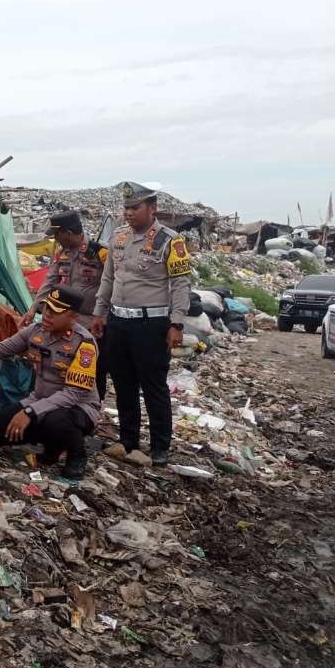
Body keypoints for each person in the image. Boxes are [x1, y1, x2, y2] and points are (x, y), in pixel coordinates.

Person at [91, 182, 192, 466]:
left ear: (153, 208)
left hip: (151, 325)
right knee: (123, 384)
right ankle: (128, 440)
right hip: (119, 322)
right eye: (126, 208)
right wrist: (99, 313)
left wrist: (177, 324)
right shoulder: (119, 238)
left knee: (153, 386)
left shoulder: (170, 241)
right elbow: (108, 278)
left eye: (135, 208)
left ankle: (160, 446)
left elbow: (181, 284)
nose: (129, 213)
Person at [0, 285, 100, 478]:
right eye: (47, 308)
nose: (47, 315)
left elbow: (73, 394)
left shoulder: (84, 344)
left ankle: (76, 455)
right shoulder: (36, 331)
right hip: (37, 400)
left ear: (72, 317)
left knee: (56, 420)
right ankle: (51, 444)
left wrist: (29, 412)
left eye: (55, 312)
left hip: (77, 408)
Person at [24, 210, 110, 399]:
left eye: (57, 235)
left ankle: (91, 408)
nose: (56, 239)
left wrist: (102, 317)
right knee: (58, 365)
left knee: (92, 370)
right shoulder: (61, 254)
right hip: (63, 321)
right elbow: (50, 281)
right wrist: (33, 309)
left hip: (91, 322)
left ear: (69, 233)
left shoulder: (100, 253)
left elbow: (112, 286)